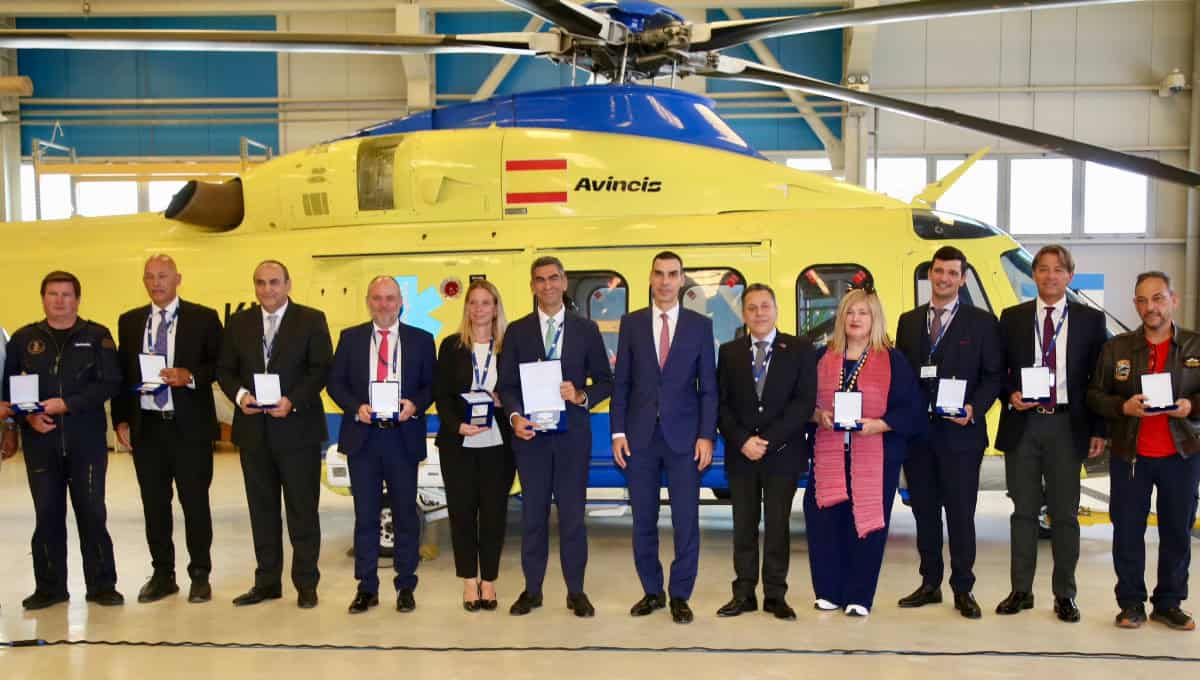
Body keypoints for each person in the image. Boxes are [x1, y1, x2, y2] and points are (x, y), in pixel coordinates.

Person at [994, 245, 1106, 623]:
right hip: (1024, 424)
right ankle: (1021, 590)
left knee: (1064, 515)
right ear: (1034, 275)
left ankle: (1065, 594)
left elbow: (1099, 379)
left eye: (1058, 270)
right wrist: (1010, 393)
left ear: (1070, 276)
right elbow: (996, 371)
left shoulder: (1090, 320)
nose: (1050, 276)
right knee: (1023, 512)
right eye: (1043, 269)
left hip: (1066, 425)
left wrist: (1098, 429)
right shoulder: (1012, 318)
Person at [497, 256, 613, 617]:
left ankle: (576, 591)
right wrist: (514, 416)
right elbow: (507, 385)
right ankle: (532, 590)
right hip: (531, 438)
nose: (547, 285)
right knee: (533, 517)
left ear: (564, 282)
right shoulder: (517, 331)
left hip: (571, 438)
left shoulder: (585, 330)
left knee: (573, 518)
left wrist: (580, 395)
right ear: (532, 286)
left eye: (553, 278)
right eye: (540, 280)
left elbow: (605, 381)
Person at [894, 246, 1003, 619]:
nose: (944, 278)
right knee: (924, 513)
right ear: (930, 274)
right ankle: (930, 583)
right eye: (939, 271)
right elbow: (904, 376)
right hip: (919, 437)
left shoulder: (982, 323)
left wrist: (973, 408)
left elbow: (993, 376)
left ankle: (963, 588)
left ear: (963, 278)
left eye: (952, 273)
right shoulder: (909, 322)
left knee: (960, 514)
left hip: (961, 436)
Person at [3, 271, 123, 610]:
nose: (59, 300)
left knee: (92, 511)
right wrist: (26, 417)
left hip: (86, 440)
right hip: (40, 441)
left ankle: (102, 585)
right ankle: (50, 588)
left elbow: (110, 383)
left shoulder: (97, 336)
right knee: (47, 514)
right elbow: (8, 389)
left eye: (66, 294)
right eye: (52, 294)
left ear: (77, 300)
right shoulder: (24, 339)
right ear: (43, 299)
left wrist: (67, 404)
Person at [217, 260, 333, 609]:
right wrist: (241, 397)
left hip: (297, 431)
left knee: (302, 512)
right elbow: (225, 369)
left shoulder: (311, 320)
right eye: (260, 282)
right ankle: (267, 582)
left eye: (274, 282)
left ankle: (306, 584)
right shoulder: (239, 323)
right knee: (262, 511)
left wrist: (292, 400)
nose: (267, 289)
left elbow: (320, 369)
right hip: (254, 432)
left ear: (288, 284)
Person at [1087, 271, 1200, 631]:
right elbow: (1094, 395)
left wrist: (1190, 406)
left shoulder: (1195, 346)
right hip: (1130, 456)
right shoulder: (1116, 348)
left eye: (1158, 298)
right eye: (1142, 300)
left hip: (1181, 455)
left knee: (1177, 533)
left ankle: (1169, 603)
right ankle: (1131, 603)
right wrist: (1123, 407)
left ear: (1173, 300)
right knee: (1127, 532)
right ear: (1135, 305)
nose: (1150, 307)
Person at [611, 251, 718, 625]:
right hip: (639, 438)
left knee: (686, 521)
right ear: (651, 278)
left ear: (682, 279)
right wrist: (618, 432)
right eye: (659, 274)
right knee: (643, 520)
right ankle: (652, 591)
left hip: (685, 441)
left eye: (673, 274)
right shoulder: (632, 324)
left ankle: (680, 595)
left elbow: (708, 389)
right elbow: (621, 383)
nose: (665, 281)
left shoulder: (700, 326)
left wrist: (706, 435)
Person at [112, 254, 223, 605]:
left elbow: (220, 365)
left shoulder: (204, 318)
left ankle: (200, 575)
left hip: (189, 428)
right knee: (154, 505)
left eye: (163, 276)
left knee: (195, 503)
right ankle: (163, 575)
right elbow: (122, 374)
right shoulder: (130, 321)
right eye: (149, 276)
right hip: (147, 428)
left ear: (178, 279)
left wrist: (189, 376)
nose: (156, 282)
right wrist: (121, 419)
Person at [805, 287, 923, 617]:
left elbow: (911, 409)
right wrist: (818, 415)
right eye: (850, 312)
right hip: (829, 454)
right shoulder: (822, 357)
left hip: (875, 455)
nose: (855, 318)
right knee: (823, 520)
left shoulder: (892, 360)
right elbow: (802, 401)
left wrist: (880, 425)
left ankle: (859, 595)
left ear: (875, 319)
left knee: (866, 523)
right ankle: (828, 591)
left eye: (863, 313)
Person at [327, 275, 435, 614]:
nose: (383, 304)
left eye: (390, 298)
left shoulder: (421, 340)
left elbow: (432, 385)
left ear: (400, 303)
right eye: (377, 298)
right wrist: (355, 407)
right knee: (366, 517)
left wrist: (415, 405)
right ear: (368, 302)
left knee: (405, 517)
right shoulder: (350, 338)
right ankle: (367, 588)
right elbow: (335, 383)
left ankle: (406, 586)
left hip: (403, 438)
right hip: (364, 438)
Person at [715, 283, 816, 621]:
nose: (759, 313)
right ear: (743, 314)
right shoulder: (729, 352)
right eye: (752, 308)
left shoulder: (799, 349)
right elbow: (721, 405)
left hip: (782, 454)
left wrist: (767, 441)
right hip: (741, 454)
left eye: (765, 306)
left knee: (777, 526)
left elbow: (803, 403)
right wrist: (743, 440)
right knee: (743, 526)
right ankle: (743, 593)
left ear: (776, 310)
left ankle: (775, 595)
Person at [434, 279, 515, 612]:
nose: (479, 309)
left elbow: (519, 390)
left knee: (494, 514)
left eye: (485, 302)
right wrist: (457, 425)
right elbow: (441, 395)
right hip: (459, 444)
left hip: (499, 445)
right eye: (473, 302)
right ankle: (469, 580)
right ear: (466, 307)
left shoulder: (510, 347)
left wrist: (503, 400)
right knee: (462, 514)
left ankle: (489, 580)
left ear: (496, 308)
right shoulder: (451, 346)